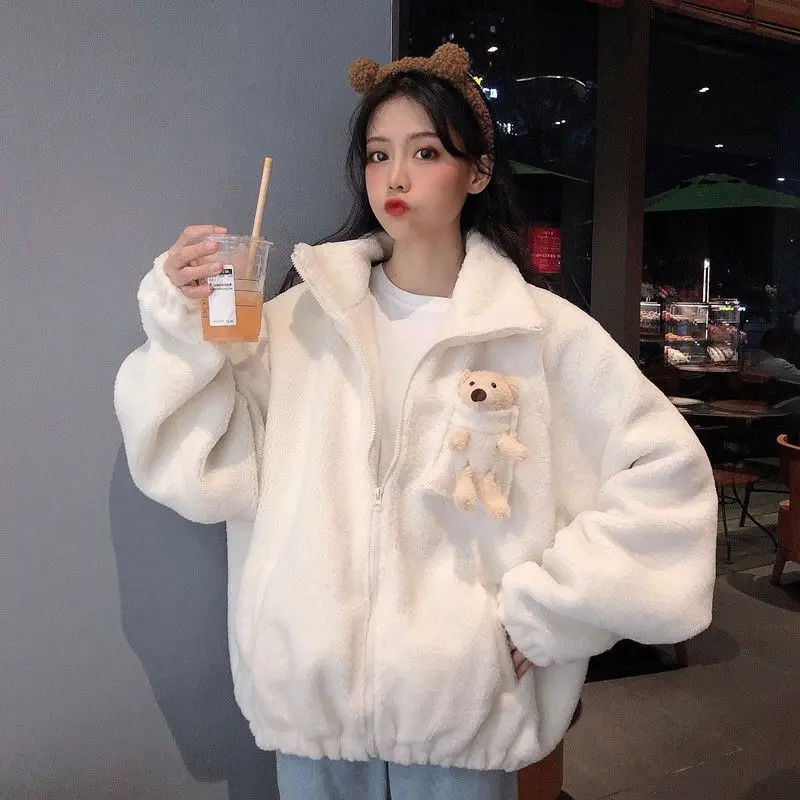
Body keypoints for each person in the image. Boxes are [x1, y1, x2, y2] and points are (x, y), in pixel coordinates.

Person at [114, 45, 717, 800]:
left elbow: (667, 478)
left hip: (464, 713)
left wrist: (551, 611)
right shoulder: (300, 324)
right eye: (378, 154)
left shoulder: (539, 334)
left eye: (424, 152)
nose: (394, 177)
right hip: (313, 712)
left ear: (478, 171)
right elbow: (203, 472)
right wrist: (182, 328)